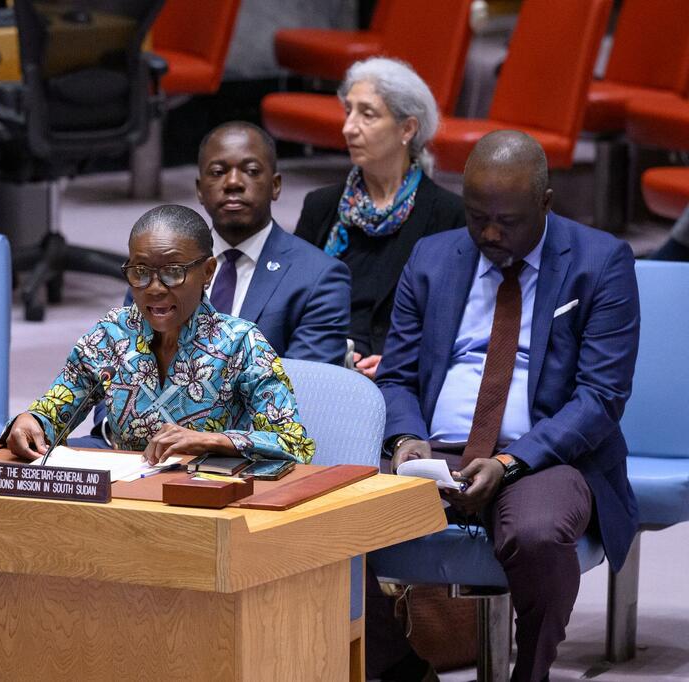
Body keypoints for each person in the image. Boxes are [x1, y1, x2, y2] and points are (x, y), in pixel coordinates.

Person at [371, 131, 640, 682]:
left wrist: (511, 463)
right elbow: (396, 376)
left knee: (536, 534)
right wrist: (404, 439)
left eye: (509, 222)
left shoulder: (600, 262)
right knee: (325, 526)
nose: (490, 234)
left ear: (545, 202)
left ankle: (531, 673)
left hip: (545, 454)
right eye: (477, 217)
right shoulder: (433, 257)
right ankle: (403, 667)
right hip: (435, 449)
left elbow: (599, 398)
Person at [6, 204, 316, 465]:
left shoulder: (241, 343)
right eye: (140, 273)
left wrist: (211, 441)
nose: (154, 288)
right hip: (125, 497)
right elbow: (52, 413)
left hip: (209, 501)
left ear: (208, 272)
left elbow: (293, 444)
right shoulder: (111, 334)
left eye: (173, 272)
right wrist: (31, 422)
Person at [295, 57, 466, 379]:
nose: (349, 127)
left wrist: (401, 362)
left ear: (407, 128)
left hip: (400, 373)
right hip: (319, 367)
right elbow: (291, 299)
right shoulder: (321, 206)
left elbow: (454, 317)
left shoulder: (449, 215)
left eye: (367, 114)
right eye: (349, 111)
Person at [196, 121, 352, 365]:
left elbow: (306, 387)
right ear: (199, 190)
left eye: (251, 171)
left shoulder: (319, 278)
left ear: (276, 186)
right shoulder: (163, 265)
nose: (233, 183)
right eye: (218, 172)